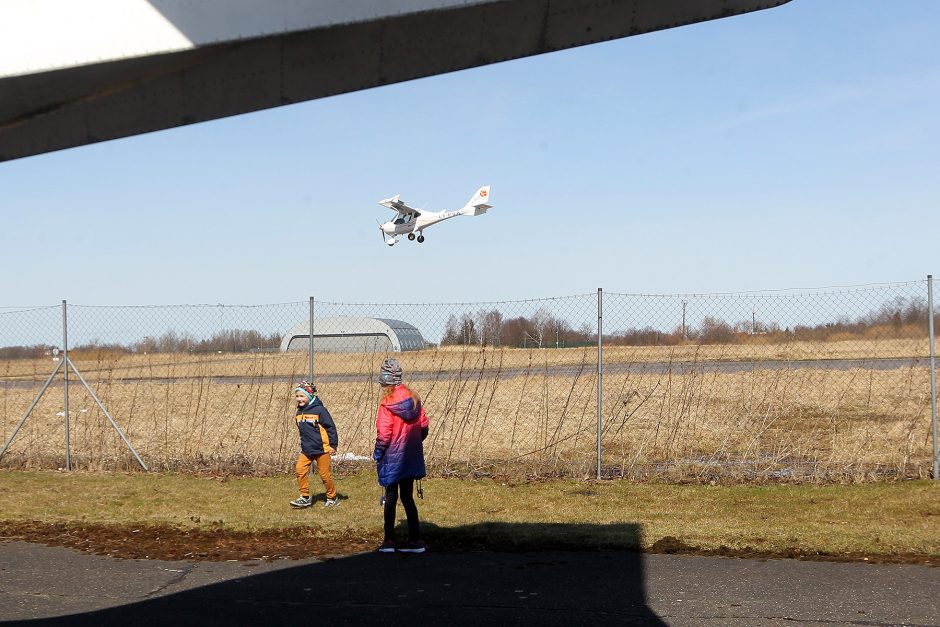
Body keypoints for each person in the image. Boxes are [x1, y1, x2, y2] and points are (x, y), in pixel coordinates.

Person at [373, 358, 429, 553]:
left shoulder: (386, 404)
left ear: (384, 381)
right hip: (410, 456)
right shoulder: (414, 399)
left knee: (390, 497)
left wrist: (378, 453)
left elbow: (384, 434)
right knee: (407, 497)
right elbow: (423, 427)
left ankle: (389, 540)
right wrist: (413, 443)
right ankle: (415, 539)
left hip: (392, 458)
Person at [290, 381, 339, 508]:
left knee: (324, 475)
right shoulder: (299, 412)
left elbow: (331, 428)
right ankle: (305, 497)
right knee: (299, 470)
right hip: (307, 450)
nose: (299, 399)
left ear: (309, 396)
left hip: (322, 449)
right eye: (297, 396)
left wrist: (333, 445)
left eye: (302, 396)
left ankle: (332, 497)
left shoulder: (319, 410)